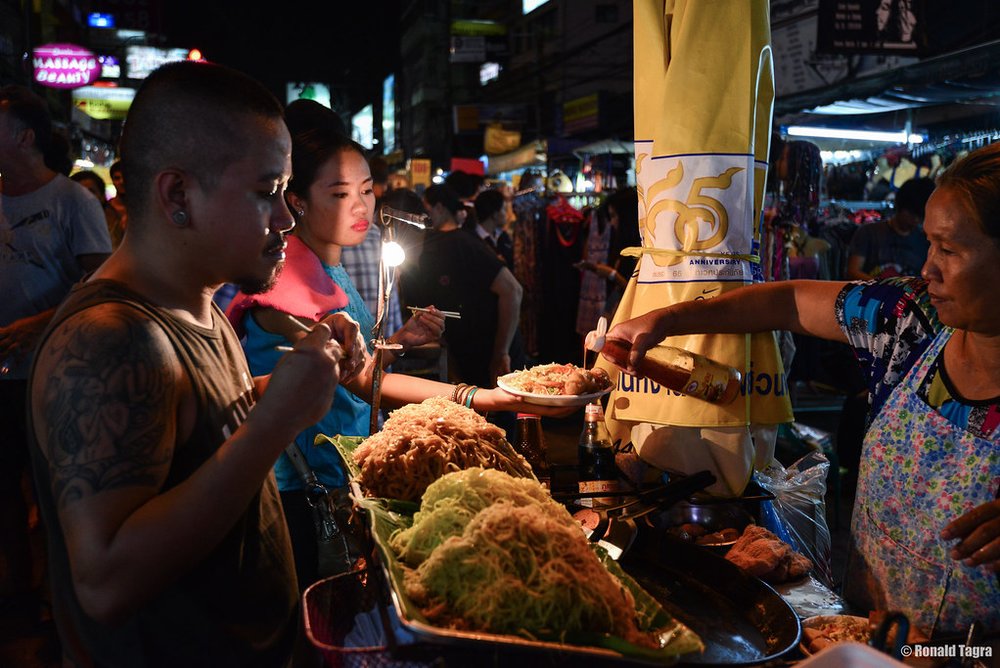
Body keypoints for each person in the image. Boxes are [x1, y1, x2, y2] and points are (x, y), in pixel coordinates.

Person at [27, 61, 355, 667]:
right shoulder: (111, 338)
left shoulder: (197, 302)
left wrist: (286, 385)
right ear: (178, 194)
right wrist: (276, 422)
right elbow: (105, 582)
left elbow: (186, 432)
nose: (286, 219)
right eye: (266, 193)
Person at [605, 142, 1000, 637]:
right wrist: (665, 320)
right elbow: (789, 302)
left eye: (950, 250)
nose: (928, 268)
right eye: (929, 244)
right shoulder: (908, 321)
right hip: (860, 630)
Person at [226, 116, 566, 588]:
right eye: (340, 193)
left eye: (366, 190)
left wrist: (398, 343)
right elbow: (362, 381)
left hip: (340, 472)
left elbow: (356, 370)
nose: (360, 206)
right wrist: (484, 398)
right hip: (298, 495)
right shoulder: (290, 282)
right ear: (297, 201)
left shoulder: (332, 269)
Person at [0, 85, 112, 619]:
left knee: (57, 494)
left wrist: (38, 324)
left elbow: (100, 280)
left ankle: (64, 605)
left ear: (24, 137)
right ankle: (19, 595)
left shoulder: (72, 200)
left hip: (57, 371)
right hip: (1, 371)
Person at [404, 182, 524, 388]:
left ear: (440, 208)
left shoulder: (462, 242)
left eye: (427, 209)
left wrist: (501, 353)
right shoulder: (432, 245)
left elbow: (513, 290)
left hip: (492, 352)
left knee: (503, 416)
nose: (422, 217)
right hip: (468, 351)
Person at [847, 177, 936, 280]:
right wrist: (886, 289)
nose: (916, 220)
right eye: (912, 214)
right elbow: (853, 272)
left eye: (920, 217)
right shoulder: (868, 233)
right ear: (899, 207)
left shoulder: (924, 240)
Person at [71, 169, 127, 248]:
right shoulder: (63, 230)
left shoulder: (116, 227)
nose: (85, 197)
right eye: (79, 192)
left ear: (102, 197)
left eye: (91, 192)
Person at [107, 159, 128, 232]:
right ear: (112, 181)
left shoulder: (142, 209)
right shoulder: (106, 208)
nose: (121, 182)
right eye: (117, 178)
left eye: (126, 177)